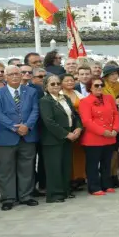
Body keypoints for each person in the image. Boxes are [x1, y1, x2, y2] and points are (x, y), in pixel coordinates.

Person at [0, 65, 40, 211]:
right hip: (6, 137)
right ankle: (8, 198)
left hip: (28, 136)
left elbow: (35, 110)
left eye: (17, 73)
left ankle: (26, 196)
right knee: (6, 169)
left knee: (27, 167)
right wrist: (14, 126)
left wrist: (27, 126)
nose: (15, 76)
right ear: (5, 77)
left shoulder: (31, 91)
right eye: (11, 74)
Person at [39, 74, 82, 203]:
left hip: (68, 137)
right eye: (53, 84)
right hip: (53, 139)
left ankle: (65, 191)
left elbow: (75, 115)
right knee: (54, 168)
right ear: (46, 86)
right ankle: (54, 195)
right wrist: (66, 134)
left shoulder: (65, 98)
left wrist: (78, 128)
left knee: (65, 165)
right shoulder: (45, 101)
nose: (56, 86)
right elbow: (49, 121)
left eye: (58, 83)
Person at [79, 77, 119, 196]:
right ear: (90, 88)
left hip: (110, 136)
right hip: (93, 139)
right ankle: (94, 187)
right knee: (92, 164)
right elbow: (87, 121)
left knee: (107, 163)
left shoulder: (109, 98)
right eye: (96, 85)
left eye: (101, 85)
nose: (99, 87)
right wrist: (103, 132)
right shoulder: (85, 101)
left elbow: (115, 114)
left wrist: (115, 129)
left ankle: (107, 184)